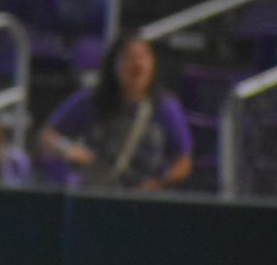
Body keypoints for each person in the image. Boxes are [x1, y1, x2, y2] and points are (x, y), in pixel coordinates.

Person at [38, 35, 193, 191]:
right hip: (98, 193)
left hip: (145, 199)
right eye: (130, 57)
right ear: (114, 64)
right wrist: (67, 149)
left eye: (143, 57)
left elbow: (183, 161)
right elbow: (47, 136)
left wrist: (159, 183)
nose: (138, 64)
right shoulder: (92, 100)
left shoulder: (165, 106)